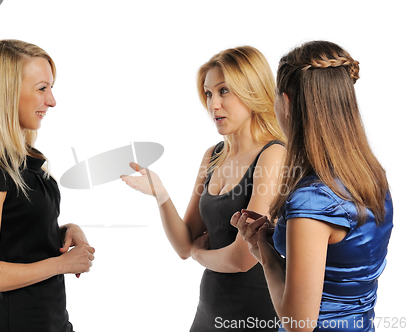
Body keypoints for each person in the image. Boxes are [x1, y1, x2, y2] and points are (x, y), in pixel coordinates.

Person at [232, 40, 393, 332]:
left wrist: (265, 255)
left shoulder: (312, 199)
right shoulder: (372, 178)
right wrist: (277, 236)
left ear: (287, 102)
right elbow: (340, 264)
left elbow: (298, 325)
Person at [121, 46, 286, 331]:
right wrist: (161, 194)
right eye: (209, 93)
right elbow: (185, 245)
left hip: (256, 315)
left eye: (224, 91)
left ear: (252, 91)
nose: (213, 105)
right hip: (208, 312)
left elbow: (243, 257)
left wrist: (201, 255)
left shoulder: (273, 154)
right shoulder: (213, 155)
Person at [0, 39, 95, 332]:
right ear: (7, 93)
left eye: (51, 88)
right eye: (42, 88)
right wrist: (63, 264)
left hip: (55, 322)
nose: (52, 101)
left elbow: (18, 237)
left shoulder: (28, 162)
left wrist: (64, 229)